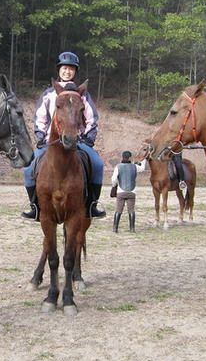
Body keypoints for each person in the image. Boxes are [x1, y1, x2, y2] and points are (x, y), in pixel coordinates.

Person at [21, 51, 106, 220]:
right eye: (65, 68)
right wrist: (41, 137)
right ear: (59, 70)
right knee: (28, 167)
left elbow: (91, 119)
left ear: (75, 72)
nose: (68, 72)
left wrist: (88, 138)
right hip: (50, 142)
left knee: (97, 164)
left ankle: (92, 205)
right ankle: (35, 206)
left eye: (71, 69)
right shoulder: (48, 94)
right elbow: (40, 118)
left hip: (77, 141)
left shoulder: (83, 95)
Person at [111, 151, 146, 232]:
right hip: (132, 192)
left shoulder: (118, 167)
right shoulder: (134, 166)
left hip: (120, 192)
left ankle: (115, 228)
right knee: (131, 210)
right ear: (130, 157)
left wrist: (114, 186)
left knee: (118, 210)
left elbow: (113, 179)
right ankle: (132, 228)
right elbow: (142, 168)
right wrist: (144, 160)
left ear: (122, 157)